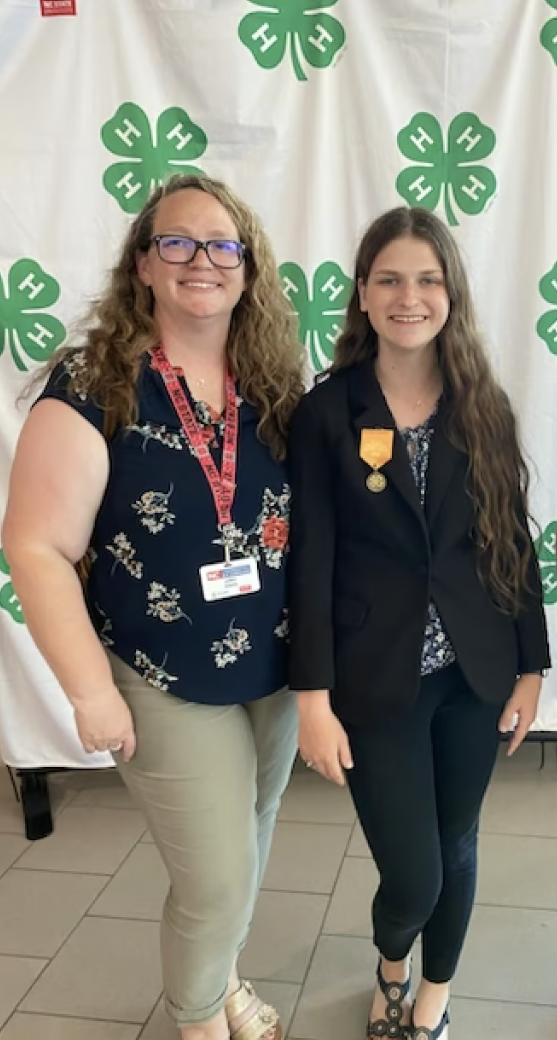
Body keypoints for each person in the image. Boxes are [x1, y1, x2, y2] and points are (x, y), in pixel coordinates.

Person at [3, 174, 305, 1040]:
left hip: (271, 667)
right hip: (158, 672)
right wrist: (90, 693)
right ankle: (198, 1018)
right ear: (143, 262)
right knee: (213, 878)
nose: (200, 260)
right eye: (177, 241)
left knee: (245, 844)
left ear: (248, 269)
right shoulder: (95, 384)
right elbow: (37, 545)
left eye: (222, 245)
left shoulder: (273, 377)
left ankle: (224, 978)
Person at [287, 206, 550, 1040]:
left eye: (428, 279)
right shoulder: (328, 414)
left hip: (474, 676)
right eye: (391, 279)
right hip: (374, 684)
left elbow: (513, 537)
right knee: (412, 874)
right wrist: (312, 698)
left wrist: (532, 667)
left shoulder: (482, 404)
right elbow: (310, 563)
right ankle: (391, 957)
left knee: (458, 845)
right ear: (362, 295)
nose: (411, 296)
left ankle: (431, 992)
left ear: (452, 294)